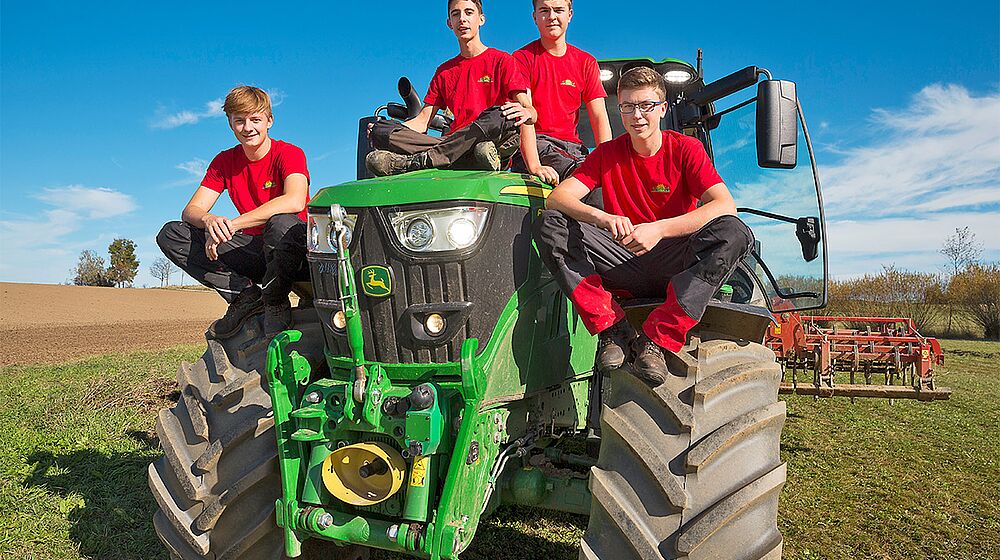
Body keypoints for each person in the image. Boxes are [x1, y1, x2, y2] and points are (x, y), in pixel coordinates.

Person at [533, 67, 754, 384]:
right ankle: (613, 329)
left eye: (646, 105)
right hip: (622, 258)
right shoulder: (607, 154)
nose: (636, 115)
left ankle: (658, 339)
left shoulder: (685, 149)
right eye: (627, 106)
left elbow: (724, 205)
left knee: (735, 232)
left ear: (662, 109)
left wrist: (658, 229)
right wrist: (602, 218)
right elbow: (558, 198)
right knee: (551, 223)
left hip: (676, 262)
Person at [156, 86, 310, 339]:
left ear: (269, 121)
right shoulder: (224, 162)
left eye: (255, 120)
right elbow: (191, 210)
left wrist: (233, 224)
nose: (248, 128)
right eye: (240, 121)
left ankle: (275, 302)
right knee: (172, 233)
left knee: (281, 223)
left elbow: (294, 201)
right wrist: (210, 221)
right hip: (256, 251)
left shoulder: (289, 153)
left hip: (295, 253)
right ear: (230, 124)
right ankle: (245, 295)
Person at [365, 0, 535, 177]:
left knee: (502, 115)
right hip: (462, 145)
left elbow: (529, 110)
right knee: (381, 131)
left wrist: (528, 111)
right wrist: (383, 130)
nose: (462, 19)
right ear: (449, 23)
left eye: (469, 12)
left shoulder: (503, 60)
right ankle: (460, 158)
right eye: (456, 14)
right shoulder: (444, 72)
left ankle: (418, 162)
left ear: (481, 19)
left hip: (490, 138)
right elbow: (422, 121)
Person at [512, 0, 612, 185]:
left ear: (570, 14)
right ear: (535, 17)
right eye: (544, 10)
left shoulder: (586, 62)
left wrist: (607, 162)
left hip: (574, 150)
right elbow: (524, 113)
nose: (551, 17)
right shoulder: (521, 59)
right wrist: (534, 165)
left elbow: (599, 117)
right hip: (538, 144)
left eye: (558, 10)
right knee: (586, 179)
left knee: (607, 183)